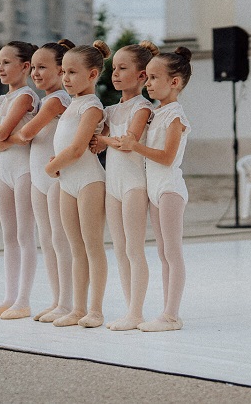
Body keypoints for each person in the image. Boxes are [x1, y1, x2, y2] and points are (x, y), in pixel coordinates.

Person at [119, 47, 192, 332]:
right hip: (155, 188)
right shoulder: (157, 112)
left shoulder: (175, 116)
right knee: (163, 253)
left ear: (174, 82)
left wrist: (135, 145)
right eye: (146, 78)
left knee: (172, 253)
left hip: (170, 189)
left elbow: (167, 157)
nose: (147, 83)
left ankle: (172, 315)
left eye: (153, 78)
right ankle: (166, 311)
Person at [90, 42, 156, 331]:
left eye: (123, 68)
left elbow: (128, 144)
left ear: (142, 76)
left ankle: (137, 311)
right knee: (118, 248)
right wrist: (99, 139)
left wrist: (102, 139)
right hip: (112, 184)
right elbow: (96, 143)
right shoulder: (110, 109)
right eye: (114, 68)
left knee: (134, 249)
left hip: (133, 184)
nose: (115, 74)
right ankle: (131, 309)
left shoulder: (143, 107)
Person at [8, 40, 74, 323]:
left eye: (42, 67)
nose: (35, 73)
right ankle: (57, 299)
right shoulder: (47, 101)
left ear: (61, 70)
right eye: (33, 67)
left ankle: (69, 302)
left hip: (56, 178)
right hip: (38, 179)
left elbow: (26, 134)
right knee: (47, 240)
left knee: (61, 240)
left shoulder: (58, 100)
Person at [45, 41, 110, 329]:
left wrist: (52, 166)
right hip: (67, 183)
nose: (66, 78)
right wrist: (57, 164)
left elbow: (77, 148)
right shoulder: (72, 105)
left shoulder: (93, 107)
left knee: (93, 246)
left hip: (89, 182)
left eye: (72, 72)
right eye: (63, 72)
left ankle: (95, 310)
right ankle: (77, 307)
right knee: (75, 248)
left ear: (93, 74)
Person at [0, 41, 40, 320]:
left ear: (25, 66)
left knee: (25, 235)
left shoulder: (26, 97)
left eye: (7, 62)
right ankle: (9, 297)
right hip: (4, 171)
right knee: (8, 236)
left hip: (25, 170)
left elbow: (0, 134)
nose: (1, 68)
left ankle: (24, 301)